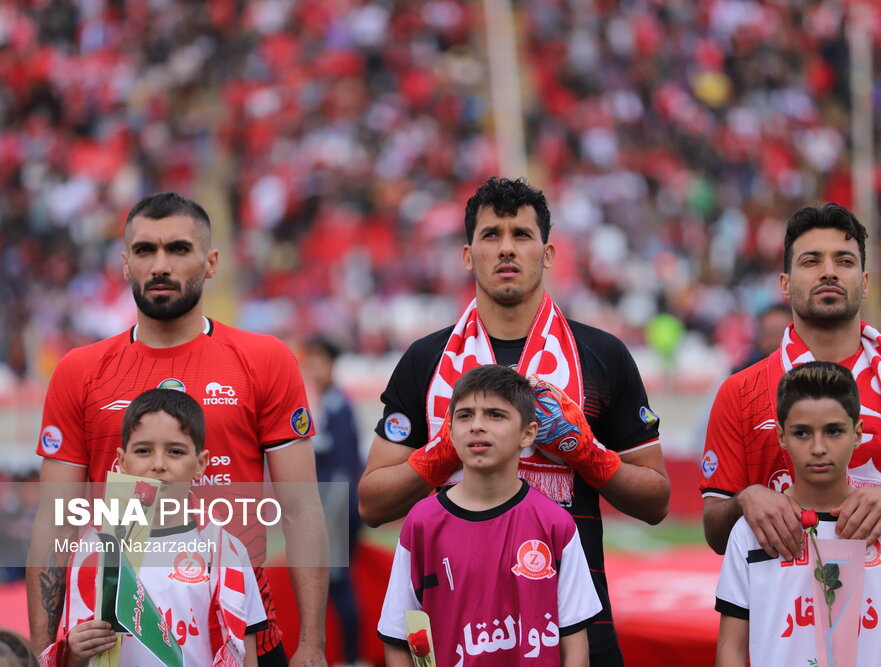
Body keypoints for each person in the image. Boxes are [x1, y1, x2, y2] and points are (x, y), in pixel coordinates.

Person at [359, 177, 670, 665]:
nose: (507, 248)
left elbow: (657, 501)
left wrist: (586, 453)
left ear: (547, 254)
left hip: (578, 630)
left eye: (522, 235)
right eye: (491, 235)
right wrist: (445, 450)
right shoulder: (426, 359)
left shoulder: (602, 356)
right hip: (458, 628)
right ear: (468, 255)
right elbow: (371, 502)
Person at [28, 192, 328, 667]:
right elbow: (55, 520)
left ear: (210, 263)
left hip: (242, 634)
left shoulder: (265, 360)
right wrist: (45, 652)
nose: (160, 265)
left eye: (179, 249)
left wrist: (313, 643)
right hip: (119, 643)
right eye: (145, 251)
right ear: (126, 265)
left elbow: (302, 509)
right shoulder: (79, 371)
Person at [700, 203, 881, 562]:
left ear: (865, 283)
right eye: (811, 261)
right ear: (785, 285)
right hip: (777, 610)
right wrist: (746, 499)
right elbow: (715, 530)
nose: (828, 272)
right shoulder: (739, 391)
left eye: (844, 261)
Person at [377, 365, 600, 666]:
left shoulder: (555, 524)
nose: (477, 426)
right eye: (465, 415)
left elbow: (574, 646)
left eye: (495, 414)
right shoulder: (422, 523)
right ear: (451, 433)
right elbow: (400, 638)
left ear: (528, 433)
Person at [715, 362, 881, 666]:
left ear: (857, 434)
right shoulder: (751, 530)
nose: (818, 447)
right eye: (802, 433)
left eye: (833, 431)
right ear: (781, 436)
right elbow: (731, 647)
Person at [40, 389, 268, 666]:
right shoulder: (94, 548)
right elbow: (71, 656)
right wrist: (75, 651)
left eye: (175, 451)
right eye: (144, 451)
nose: (158, 465)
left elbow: (246, 653)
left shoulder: (227, 552)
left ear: (201, 464)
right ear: (123, 462)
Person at [299, 337, 363, 666]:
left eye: (319, 360)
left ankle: (350, 658)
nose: (312, 367)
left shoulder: (337, 405)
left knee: (336, 582)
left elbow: (344, 465)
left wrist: (329, 516)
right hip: (332, 500)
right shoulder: (326, 402)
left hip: (335, 502)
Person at [733, 303, 792, 372]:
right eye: (771, 334)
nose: (777, 342)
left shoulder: (803, 370)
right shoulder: (745, 373)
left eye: (782, 334)